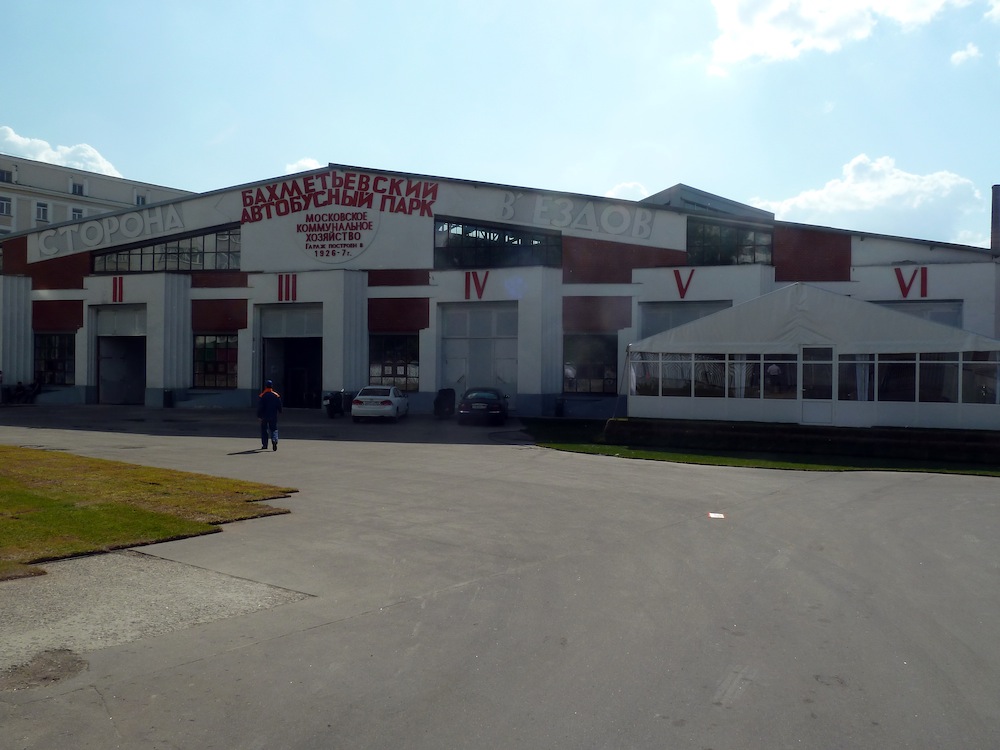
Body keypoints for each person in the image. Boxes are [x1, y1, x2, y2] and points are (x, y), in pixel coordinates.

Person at [257, 379, 282, 451]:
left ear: (265, 386)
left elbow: (260, 407)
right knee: (274, 429)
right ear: (272, 386)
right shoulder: (276, 395)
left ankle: (265, 445)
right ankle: (274, 440)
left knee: (264, 430)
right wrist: (280, 411)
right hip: (273, 415)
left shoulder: (262, 395)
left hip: (264, 416)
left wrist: (259, 416)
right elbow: (279, 405)